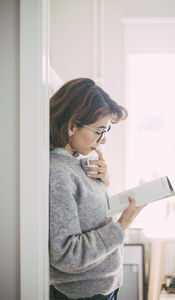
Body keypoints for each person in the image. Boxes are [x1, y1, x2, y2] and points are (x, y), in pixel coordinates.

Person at [49, 78, 145, 300]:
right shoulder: (58, 173)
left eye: (106, 131)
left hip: (101, 289)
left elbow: (89, 216)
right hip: (84, 295)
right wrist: (123, 225)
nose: (102, 141)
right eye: (98, 131)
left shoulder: (75, 162)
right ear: (72, 125)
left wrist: (104, 183)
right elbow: (68, 255)